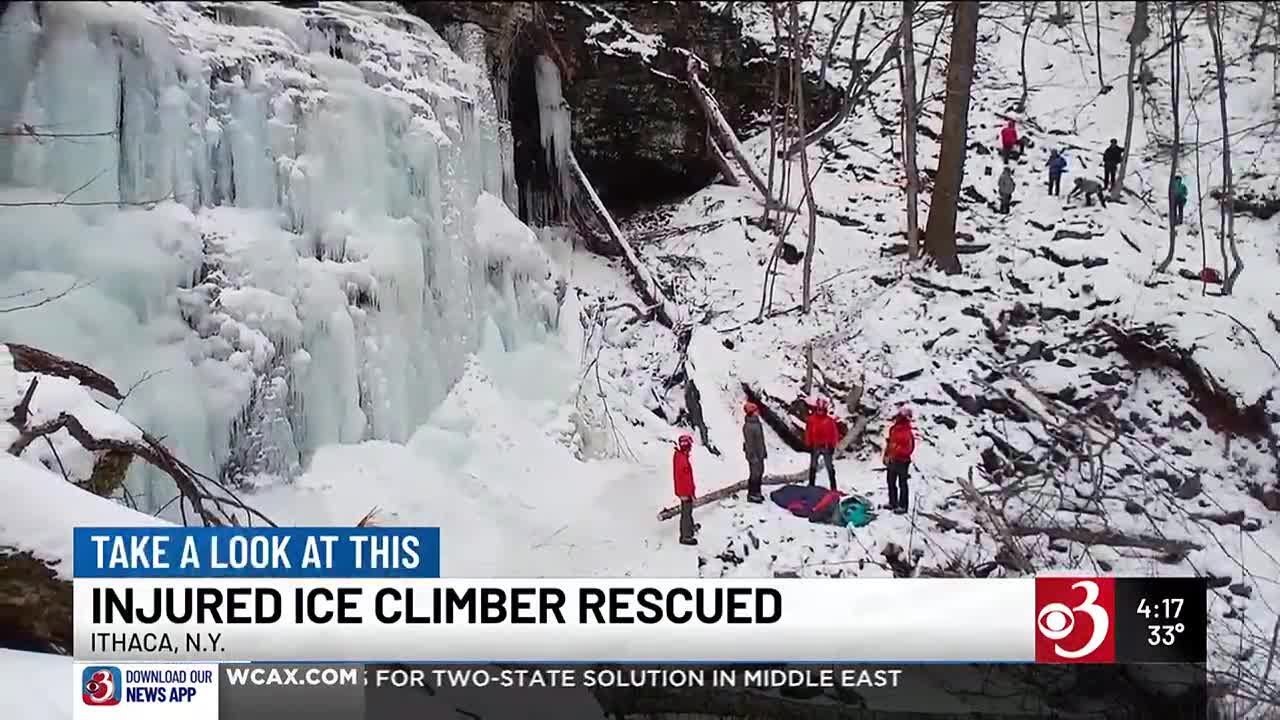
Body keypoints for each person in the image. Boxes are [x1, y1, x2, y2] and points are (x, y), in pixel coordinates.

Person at [883, 406, 916, 515]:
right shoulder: (893, 429)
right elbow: (890, 443)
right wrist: (886, 454)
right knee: (891, 481)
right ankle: (893, 502)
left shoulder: (907, 432)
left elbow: (909, 449)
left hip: (902, 461)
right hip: (892, 459)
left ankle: (903, 506)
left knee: (902, 483)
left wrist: (896, 451)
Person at [805, 398, 839, 491]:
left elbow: (834, 434)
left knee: (829, 467)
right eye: (818, 409)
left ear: (825, 410)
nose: (820, 412)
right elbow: (808, 432)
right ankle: (811, 485)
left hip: (826, 447)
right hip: (815, 446)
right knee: (813, 466)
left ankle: (833, 487)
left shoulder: (829, 421)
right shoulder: (811, 420)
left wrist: (833, 445)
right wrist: (808, 444)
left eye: (821, 410)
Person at [673, 434, 697, 545]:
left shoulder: (681, 456)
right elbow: (684, 479)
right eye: (690, 445)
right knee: (686, 513)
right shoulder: (681, 459)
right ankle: (685, 536)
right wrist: (688, 493)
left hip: (685, 491)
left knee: (688, 510)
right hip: (684, 491)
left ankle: (690, 528)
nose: (691, 448)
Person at [742, 401, 767, 503]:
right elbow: (750, 444)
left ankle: (758, 492)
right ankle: (752, 494)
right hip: (754, 455)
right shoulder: (748, 426)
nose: (758, 412)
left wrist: (763, 451)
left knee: (760, 472)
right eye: (756, 411)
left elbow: (760, 440)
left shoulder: (757, 423)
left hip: (759, 453)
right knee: (754, 474)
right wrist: (752, 456)